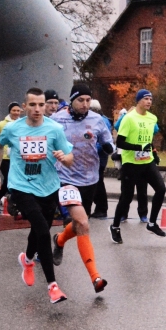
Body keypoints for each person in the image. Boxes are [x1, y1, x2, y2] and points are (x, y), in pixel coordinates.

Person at [0, 88, 75, 304]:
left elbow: (70, 157)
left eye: (41, 105)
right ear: (24, 106)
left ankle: (27, 260)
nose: (38, 109)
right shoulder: (12, 128)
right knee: (42, 231)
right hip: (21, 185)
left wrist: (63, 158)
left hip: (48, 187)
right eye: (33, 105)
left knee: (40, 230)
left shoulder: (54, 129)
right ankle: (53, 287)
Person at [49, 84, 113, 294]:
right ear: (72, 100)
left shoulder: (97, 120)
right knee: (83, 223)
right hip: (66, 178)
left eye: (88, 100)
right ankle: (95, 277)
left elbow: (107, 140)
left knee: (78, 225)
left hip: (90, 178)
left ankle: (59, 240)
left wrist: (108, 147)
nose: (85, 104)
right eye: (80, 100)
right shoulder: (57, 119)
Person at [110, 89, 166, 243]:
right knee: (126, 198)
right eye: (146, 98)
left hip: (147, 162)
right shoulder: (129, 118)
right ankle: (115, 226)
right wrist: (137, 148)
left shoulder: (152, 118)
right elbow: (120, 142)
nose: (149, 101)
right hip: (131, 163)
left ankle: (152, 223)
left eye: (151, 99)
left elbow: (148, 141)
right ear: (138, 100)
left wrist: (153, 153)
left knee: (161, 189)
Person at [0, 102, 23, 214]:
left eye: (18, 111)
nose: (16, 113)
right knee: (9, 179)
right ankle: (4, 202)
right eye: (14, 110)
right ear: (9, 111)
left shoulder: (23, 124)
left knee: (15, 181)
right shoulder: (1, 125)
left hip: (18, 156)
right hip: (4, 157)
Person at [89, 98, 110, 218]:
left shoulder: (101, 121)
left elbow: (103, 140)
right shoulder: (101, 119)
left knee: (98, 184)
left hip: (99, 157)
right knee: (97, 183)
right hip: (96, 157)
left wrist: (91, 148)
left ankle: (102, 208)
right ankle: (100, 208)